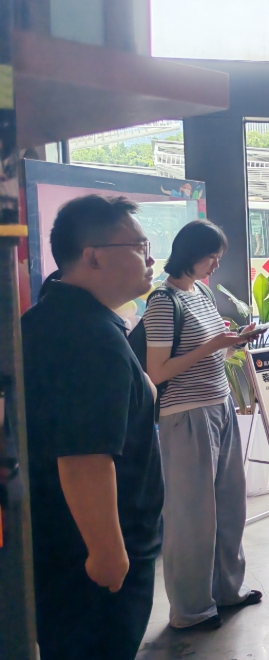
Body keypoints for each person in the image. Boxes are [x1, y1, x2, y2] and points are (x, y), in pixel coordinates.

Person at [22, 195, 165, 659]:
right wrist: (107, 553)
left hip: (61, 545)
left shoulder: (57, 316)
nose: (150, 258)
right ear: (94, 256)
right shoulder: (88, 337)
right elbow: (83, 457)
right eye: (139, 247)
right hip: (90, 558)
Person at [144, 220, 263, 629]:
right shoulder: (163, 301)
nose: (216, 264)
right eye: (212, 256)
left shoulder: (202, 292)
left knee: (229, 505)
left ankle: (227, 590)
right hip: (186, 414)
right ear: (190, 253)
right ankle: (191, 609)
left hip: (220, 404)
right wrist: (214, 344)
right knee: (191, 515)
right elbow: (157, 371)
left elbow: (208, 351)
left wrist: (231, 341)